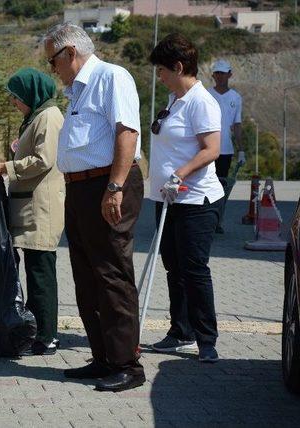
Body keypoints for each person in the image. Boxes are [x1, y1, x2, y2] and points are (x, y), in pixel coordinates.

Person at [42, 23, 145, 392]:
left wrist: (115, 187)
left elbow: (127, 133)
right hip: (81, 189)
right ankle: (103, 358)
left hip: (108, 184)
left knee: (112, 274)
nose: (52, 69)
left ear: (70, 53)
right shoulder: (77, 92)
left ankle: (127, 365)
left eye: (52, 60)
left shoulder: (111, 77)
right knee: (87, 278)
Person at [148, 34, 223, 363]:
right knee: (173, 268)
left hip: (196, 201)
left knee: (194, 269)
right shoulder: (173, 98)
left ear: (179, 67)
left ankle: (206, 339)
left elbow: (212, 150)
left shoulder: (202, 102)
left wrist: (180, 174)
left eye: (162, 69)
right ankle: (180, 331)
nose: (159, 75)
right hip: (167, 199)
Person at [0, 68, 65, 356]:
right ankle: (40, 331)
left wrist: (5, 167)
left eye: (17, 97)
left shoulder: (49, 117)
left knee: (41, 272)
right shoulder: (36, 117)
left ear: (31, 93)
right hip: (30, 205)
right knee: (35, 270)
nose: (14, 102)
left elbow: (43, 160)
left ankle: (47, 336)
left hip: (42, 207)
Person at [208, 59, 244, 234]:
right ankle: (204, 220)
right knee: (205, 185)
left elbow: (237, 125)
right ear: (213, 75)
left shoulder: (235, 98)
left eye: (223, 73)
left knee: (220, 188)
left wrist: (241, 150)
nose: (220, 76)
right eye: (217, 73)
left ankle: (217, 221)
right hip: (205, 149)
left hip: (225, 151)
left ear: (230, 74)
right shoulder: (206, 94)